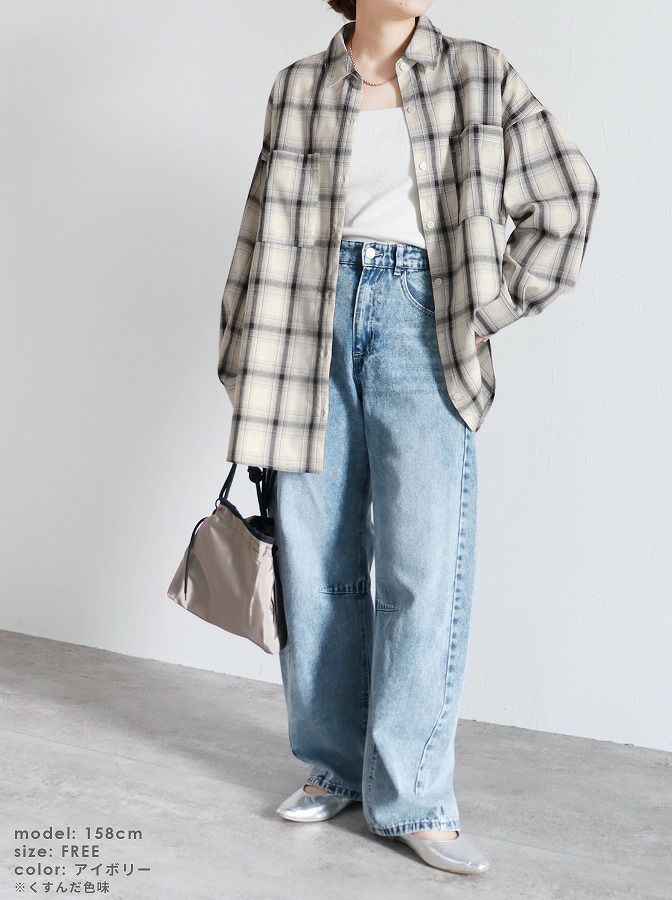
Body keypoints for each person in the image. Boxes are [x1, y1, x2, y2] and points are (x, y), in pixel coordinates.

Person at [217, 0, 599, 876]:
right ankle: (334, 764)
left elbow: (569, 197)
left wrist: (483, 311)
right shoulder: (299, 87)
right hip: (302, 328)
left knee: (423, 570)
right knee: (316, 566)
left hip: (419, 320)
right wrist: (241, 358)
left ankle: (415, 796)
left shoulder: (479, 74)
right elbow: (256, 228)